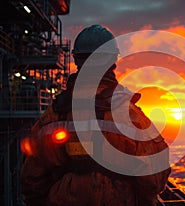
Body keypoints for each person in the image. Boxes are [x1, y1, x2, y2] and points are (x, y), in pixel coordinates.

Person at [21, 24, 171, 206]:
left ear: (76, 59)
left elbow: (31, 179)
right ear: (112, 61)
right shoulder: (130, 116)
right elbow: (154, 177)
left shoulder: (54, 115)